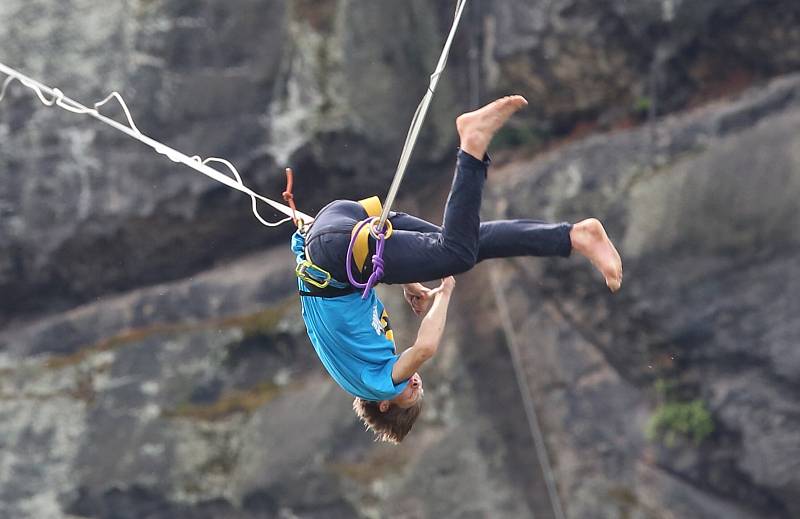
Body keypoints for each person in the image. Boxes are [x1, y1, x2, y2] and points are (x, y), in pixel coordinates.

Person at [291, 96, 623, 443]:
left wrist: (444, 295)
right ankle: (575, 236)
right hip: (337, 224)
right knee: (466, 243)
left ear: (384, 406)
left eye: (409, 395)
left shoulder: (373, 383)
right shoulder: (355, 364)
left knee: (456, 254)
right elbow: (342, 291)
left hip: (337, 246)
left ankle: (473, 143)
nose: (414, 384)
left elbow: (425, 349)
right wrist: (409, 281)